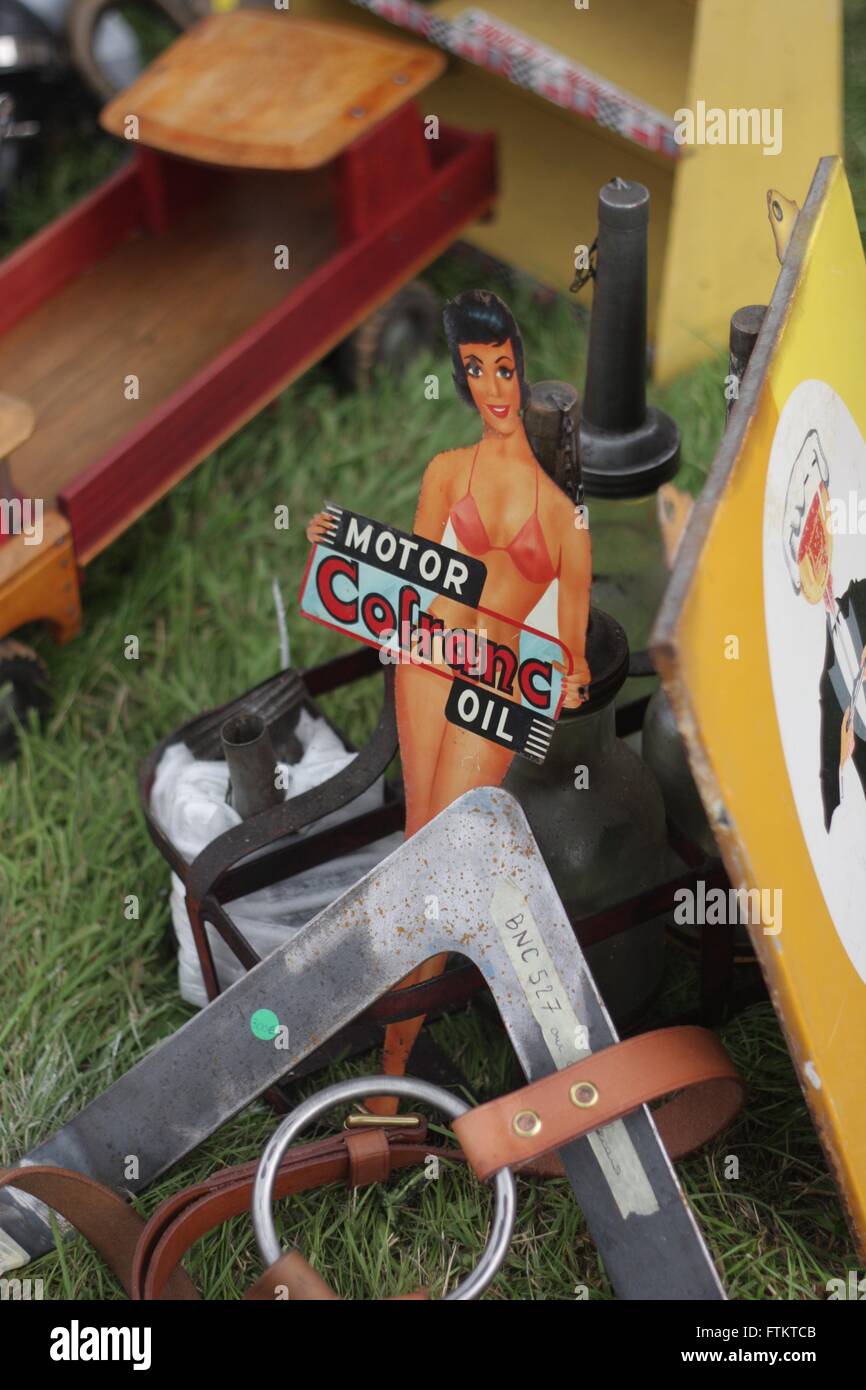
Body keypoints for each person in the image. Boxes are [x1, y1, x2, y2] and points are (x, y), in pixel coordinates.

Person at [308, 289, 592, 1099]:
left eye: (504, 368)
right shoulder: (445, 473)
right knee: (415, 840)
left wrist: (566, 682)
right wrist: (346, 551)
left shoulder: (567, 521)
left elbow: (569, 645)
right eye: (476, 371)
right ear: (463, 379)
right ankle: (392, 1035)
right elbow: (422, 574)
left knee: (440, 853)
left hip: (494, 685)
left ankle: (395, 1068)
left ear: (521, 369)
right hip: (430, 659)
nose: (494, 388)